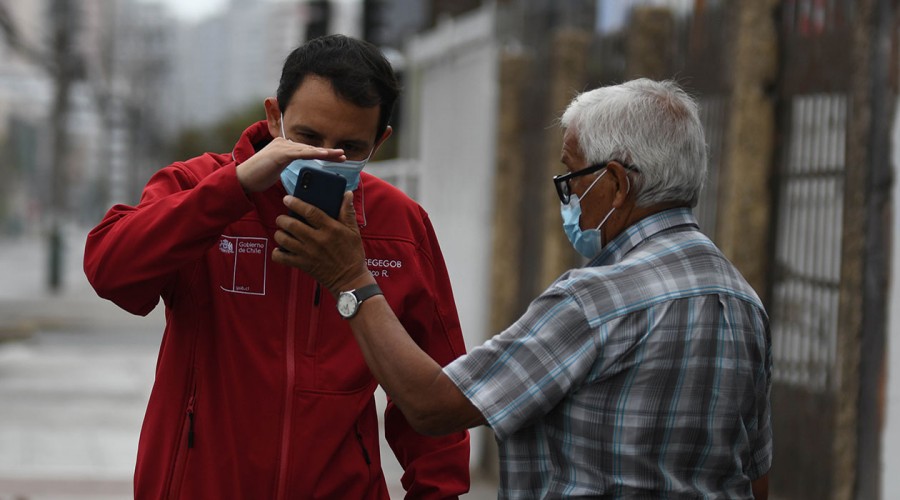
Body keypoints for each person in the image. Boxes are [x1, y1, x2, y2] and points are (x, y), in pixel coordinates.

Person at [277, 78, 772, 499]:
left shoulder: (596, 301)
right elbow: (753, 475)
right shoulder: (742, 300)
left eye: (573, 175)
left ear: (617, 185)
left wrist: (351, 280)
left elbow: (431, 406)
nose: (569, 194)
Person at [84, 35, 470, 499]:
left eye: (348, 147)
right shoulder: (196, 185)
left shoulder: (399, 227)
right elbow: (110, 270)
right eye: (307, 138)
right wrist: (235, 187)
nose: (323, 158)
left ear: (379, 141)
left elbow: (439, 388)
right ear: (274, 117)